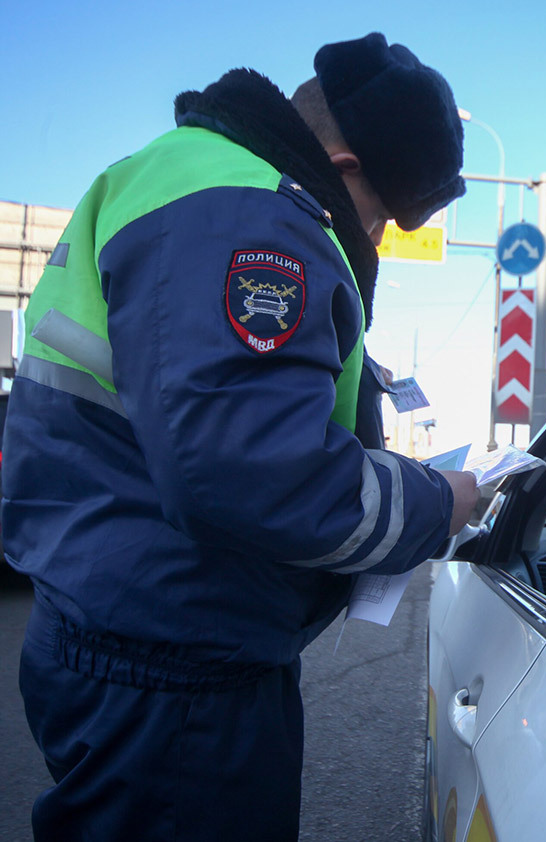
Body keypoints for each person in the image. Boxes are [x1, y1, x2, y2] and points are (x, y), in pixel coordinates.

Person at [3, 33, 479, 841]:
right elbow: (248, 471)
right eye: (380, 219)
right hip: (173, 669)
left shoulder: (181, 178)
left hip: (123, 629)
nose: (372, 239)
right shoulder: (255, 217)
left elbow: (204, 415)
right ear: (345, 164)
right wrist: (441, 501)